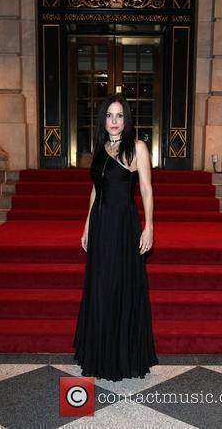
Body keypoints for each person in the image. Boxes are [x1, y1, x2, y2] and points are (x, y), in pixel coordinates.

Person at [72, 93, 159, 381]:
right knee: (100, 285)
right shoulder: (100, 148)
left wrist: (149, 227)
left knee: (121, 285)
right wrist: (86, 225)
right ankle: (99, 351)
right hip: (100, 224)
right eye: (109, 115)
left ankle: (122, 355)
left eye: (119, 115)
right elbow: (96, 189)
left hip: (123, 225)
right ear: (103, 119)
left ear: (126, 118)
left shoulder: (137, 148)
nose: (114, 121)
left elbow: (146, 189)